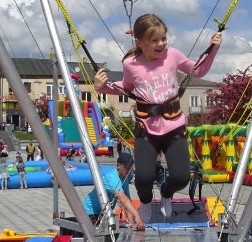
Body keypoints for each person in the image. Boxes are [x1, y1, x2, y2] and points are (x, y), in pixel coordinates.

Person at [93, 13, 222, 224]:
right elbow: (126, 88)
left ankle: (166, 192)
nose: (161, 44)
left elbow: (198, 70)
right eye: (154, 40)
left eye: (163, 38)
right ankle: (145, 201)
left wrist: (213, 48)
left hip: (174, 125)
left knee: (181, 177)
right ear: (140, 42)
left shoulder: (172, 55)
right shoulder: (130, 64)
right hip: (147, 127)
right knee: (143, 178)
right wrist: (102, 87)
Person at [81, 152, 144, 231]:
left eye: (131, 169)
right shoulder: (112, 178)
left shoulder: (125, 178)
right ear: (118, 166)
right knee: (102, 234)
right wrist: (137, 216)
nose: (129, 172)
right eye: (127, 168)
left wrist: (132, 223)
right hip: (89, 212)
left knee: (119, 226)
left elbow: (128, 202)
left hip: (102, 214)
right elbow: (123, 199)